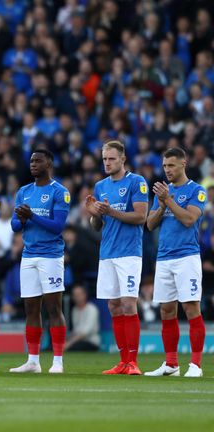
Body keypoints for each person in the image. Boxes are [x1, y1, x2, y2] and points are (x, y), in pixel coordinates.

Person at [85, 140, 148, 375]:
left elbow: (141, 217)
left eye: (111, 158)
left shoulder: (136, 182)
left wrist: (110, 211)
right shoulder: (100, 186)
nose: (107, 163)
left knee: (128, 303)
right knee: (113, 305)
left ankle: (133, 361)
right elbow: (97, 225)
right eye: (104, 159)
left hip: (129, 253)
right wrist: (95, 215)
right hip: (107, 253)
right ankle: (122, 362)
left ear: (123, 159)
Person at [145, 148, 206, 377]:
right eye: (164, 166)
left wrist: (168, 200)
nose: (167, 170)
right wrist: (161, 205)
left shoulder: (196, 190)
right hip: (164, 258)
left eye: (171, 165)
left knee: (191, 308)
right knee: (166, 310)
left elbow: (189, 219)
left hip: (186, 257)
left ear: (183, 164)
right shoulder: (163, 193)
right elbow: (150, 224)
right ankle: (171, 364)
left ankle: (196, 365)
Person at [9, 149, 70, 374]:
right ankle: (33, 360)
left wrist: (33, 216)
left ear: (49, 164)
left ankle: (58, 361)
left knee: (54, 307)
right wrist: (22, 219)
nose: (34, 164)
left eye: (39, 161)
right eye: (32, 161)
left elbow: (58, 226)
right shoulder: (23, 192)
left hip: (51, 256)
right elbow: (15, 226)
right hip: (28, 255)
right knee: (31, 309)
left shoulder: (60, 192)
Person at [64, 285, 101, 352]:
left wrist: (69, 343)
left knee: (72, 348)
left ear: (85, 295)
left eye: (79, 294)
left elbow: (85, 332)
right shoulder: (75, 310)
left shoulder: (92, 309)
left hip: (91, 342)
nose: (77, 297)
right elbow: (76, 330)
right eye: (75, 295)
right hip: (77, 341)